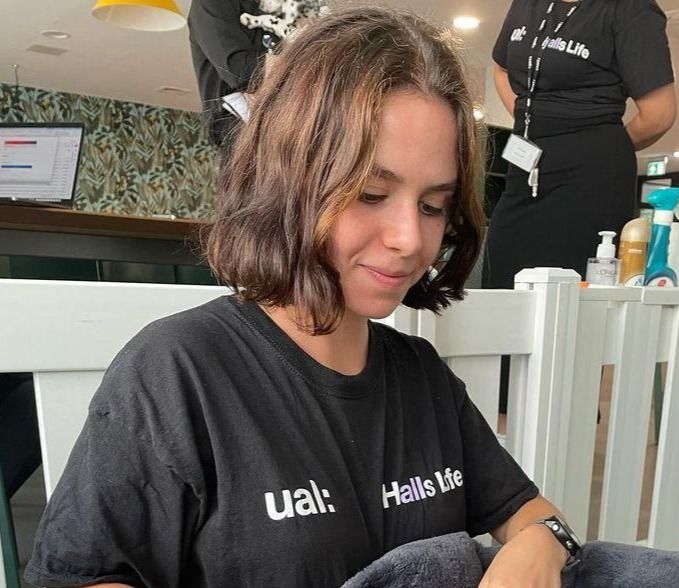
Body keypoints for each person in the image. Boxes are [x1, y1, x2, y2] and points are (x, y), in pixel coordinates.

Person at [25, 7, 579, 587]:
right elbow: (81, 576)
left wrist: (541, 544)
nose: (410, 239)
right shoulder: (178, 369)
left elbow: (534, 514)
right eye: (370, 192)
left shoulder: (423, 378)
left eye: (433, 204)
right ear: (291, 181)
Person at [483, 0, 677, 288]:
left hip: (590, 176)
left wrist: (595, 146)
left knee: (570, 293)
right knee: (502, 282)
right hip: (525, 164)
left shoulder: (630, 9)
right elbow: (501, 68)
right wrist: (532, 120)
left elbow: (658, 114)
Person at [187, 0, 276, 146]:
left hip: (279, 117)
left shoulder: (276, 11)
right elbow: (241, 71)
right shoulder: (210, 3)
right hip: (239, 122)